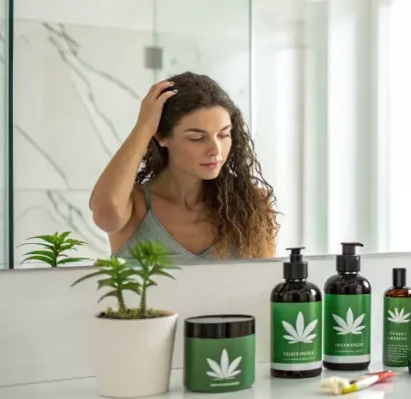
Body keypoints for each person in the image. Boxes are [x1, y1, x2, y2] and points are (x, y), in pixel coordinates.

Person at [90, 72, 279, 261]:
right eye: (197, 138)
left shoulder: (252, 205)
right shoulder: (135, 207)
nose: (216, 150)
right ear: (161, 137)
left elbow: (265, 281)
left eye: (223, 135)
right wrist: (144, 127)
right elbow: (107, 213)